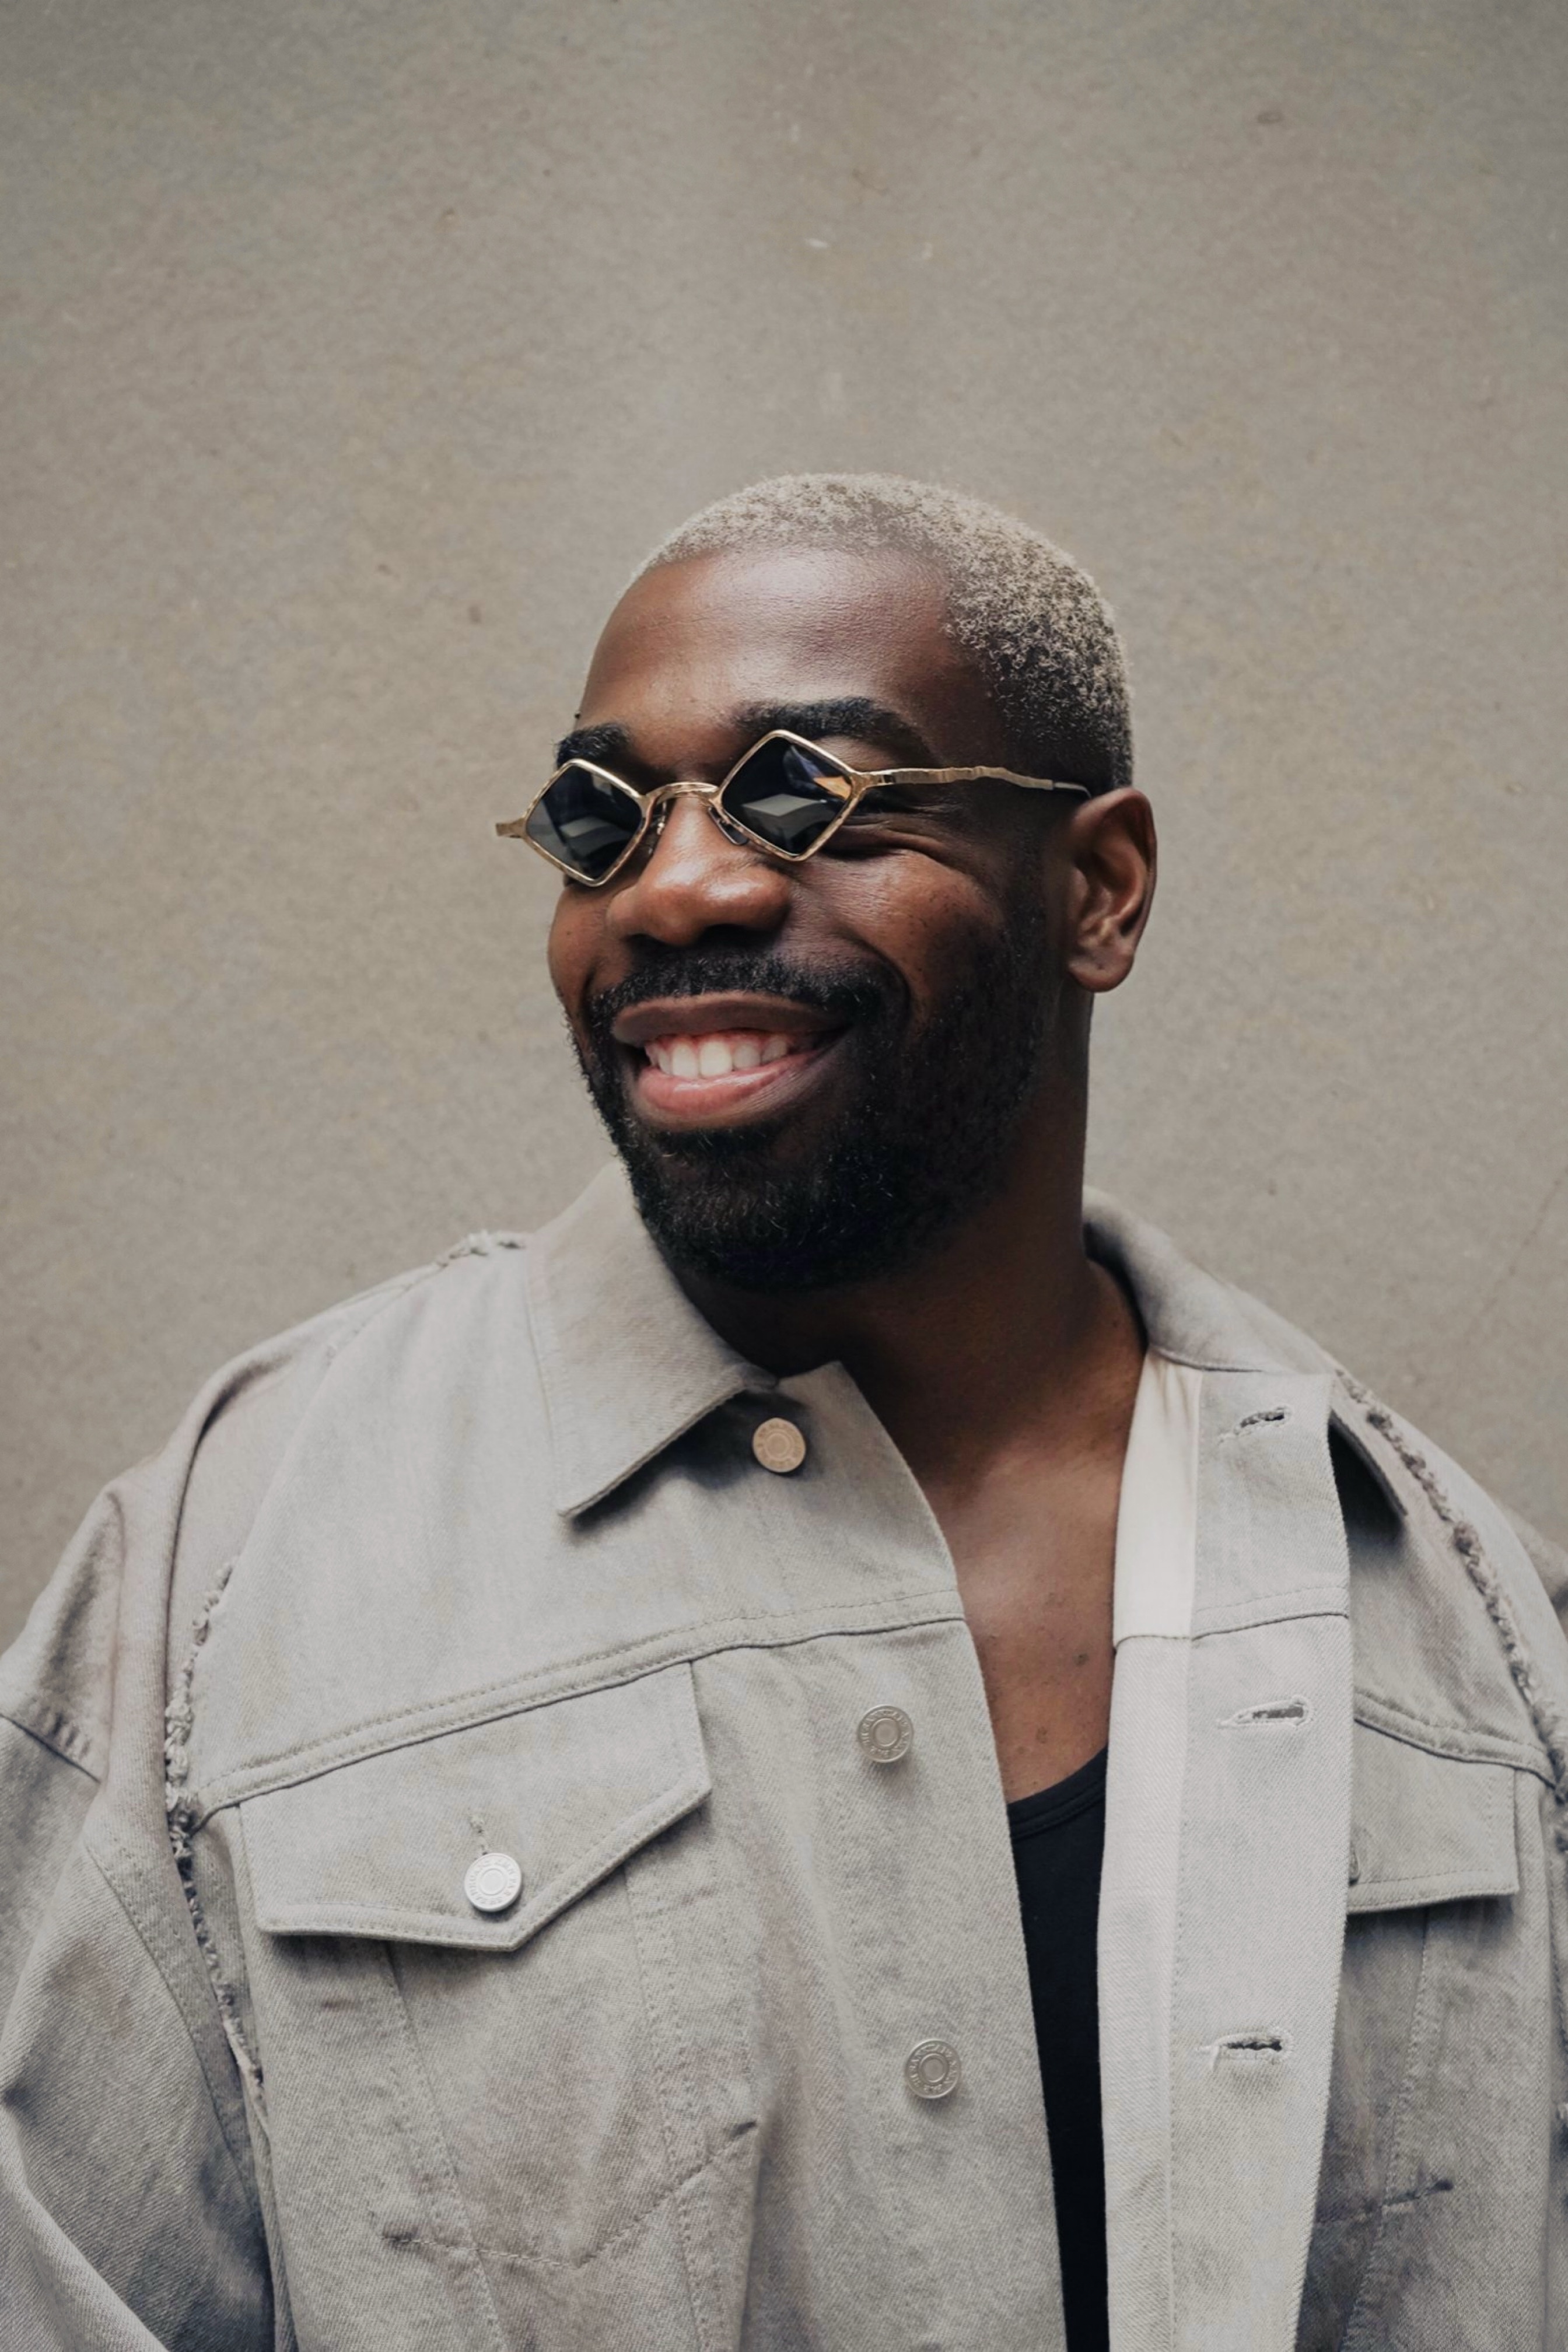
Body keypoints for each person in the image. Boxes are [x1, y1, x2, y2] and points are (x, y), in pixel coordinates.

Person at [2, 473, 1564, 2352]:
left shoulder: (1469, 1636)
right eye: (600, 819)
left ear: (1099, 888)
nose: (677, 890)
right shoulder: (231, 1565)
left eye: (803, 791)